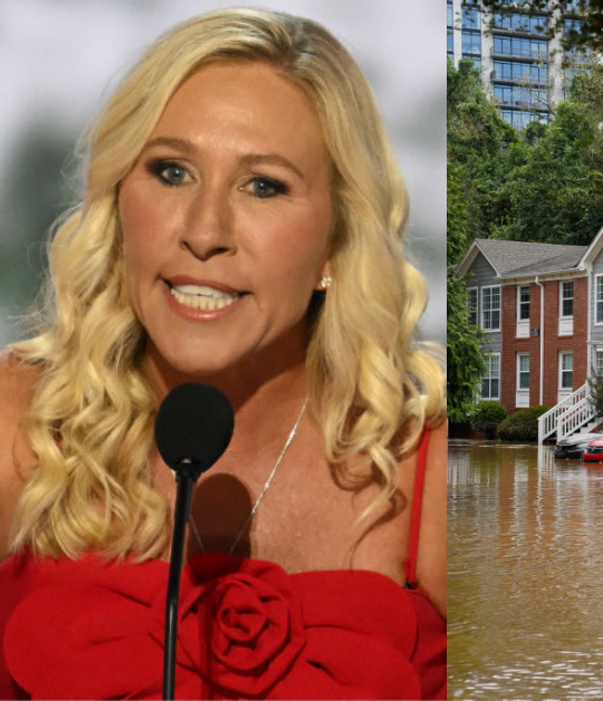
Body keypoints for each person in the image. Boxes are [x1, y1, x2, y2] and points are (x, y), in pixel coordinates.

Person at [0, 9, 446, 699]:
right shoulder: (18, 421)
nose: (204, 231)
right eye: (171, 171)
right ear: (120, 204)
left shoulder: (432, 470)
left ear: (335, 242)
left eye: (263, 184)